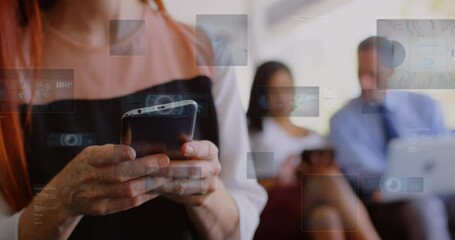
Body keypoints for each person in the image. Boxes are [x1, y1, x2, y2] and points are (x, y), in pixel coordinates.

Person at [0, 0, 267, 239]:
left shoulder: (205, 51)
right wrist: (60, 203)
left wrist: (207, 194)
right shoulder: (9, 70)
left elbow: (241, 226)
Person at [329, 36, 455, 240]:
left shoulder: (426, 106)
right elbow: (364, 175)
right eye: (360, 74)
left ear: (392, 71)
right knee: (425, 206)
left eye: (373, 75)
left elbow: (446, 158)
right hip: (387, 204)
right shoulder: (342, 121)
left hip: (438, 191)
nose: (365, 83)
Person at [247, 61, 380, 240]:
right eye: (274, 90)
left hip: (315, 200)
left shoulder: (313, 135)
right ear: (262, 95)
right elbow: (250, 186)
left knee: (327, 216)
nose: (282, 97)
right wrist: (284, 177)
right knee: (327, 179)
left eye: (287, 88)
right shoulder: (258, 133)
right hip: (278, 202)